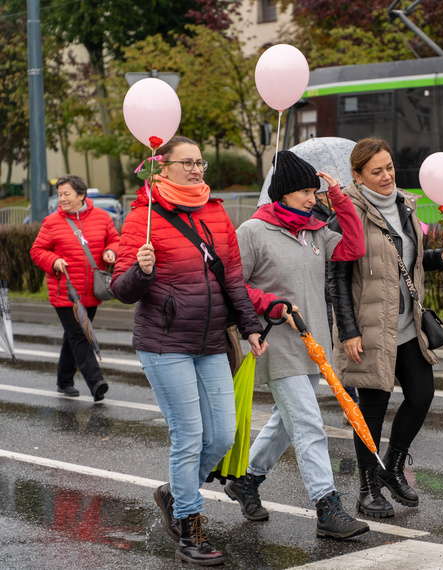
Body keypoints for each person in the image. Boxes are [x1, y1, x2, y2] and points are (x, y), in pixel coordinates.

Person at [111, 136, 267, 566]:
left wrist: (251, 327)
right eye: (187, 162)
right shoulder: (142, 217)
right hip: (165, 345)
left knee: (223, 435)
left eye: (200, 162)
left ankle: (173, 494)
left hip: (212, 340)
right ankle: (189, 531)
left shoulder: (216, 212)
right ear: (162, 168)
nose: (197, 169)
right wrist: (141, 273)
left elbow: (232, 278)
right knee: (189, 435)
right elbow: (119, 289)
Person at [225, 150, 368, 539]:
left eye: (314, 191)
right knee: (307, 423)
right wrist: (269, 304)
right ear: (283, 193)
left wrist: (338, 198)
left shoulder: (315, 230)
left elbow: (355, 248)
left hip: (314, 342)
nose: (312, 198)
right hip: (277, 343)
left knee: (285, 424)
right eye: (305, 191)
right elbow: (233, 284)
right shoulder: (253, 231)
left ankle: (246, 480)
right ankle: (327, 507)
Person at [329, 137, 443, 518]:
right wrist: (348, 331)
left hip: (406, 325)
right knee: (371, 410)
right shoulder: (345, 212)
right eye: (376, 171)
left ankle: (393, 467)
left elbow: (404, 260)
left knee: (421, 395)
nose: (386, 176)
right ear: (357, 175)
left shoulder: (403, 205)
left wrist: (438, 257)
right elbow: (335, 278)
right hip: (367, 329)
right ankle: (367, 487)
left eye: (389, 168)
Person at [30, 174, 119, 402]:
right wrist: (54, 261)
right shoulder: (52, 222)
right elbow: (37, 251)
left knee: (73, 335)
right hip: (65, 292)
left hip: (92, 291)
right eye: (59, 194)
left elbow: (116, 240)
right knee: (80, 334)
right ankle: (96, 382)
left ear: (81, 195)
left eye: (66, 194)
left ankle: (64, 380)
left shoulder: (102, 218)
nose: (62, 199)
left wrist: (112, 251)